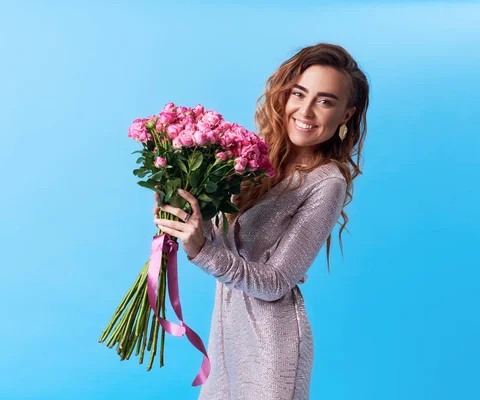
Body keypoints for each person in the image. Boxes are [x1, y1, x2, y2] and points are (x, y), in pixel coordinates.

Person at [153, 43, 370, 400]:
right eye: (299, 94)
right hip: (225, 338)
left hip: (272, 347)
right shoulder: (253, 160)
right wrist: (180, 204)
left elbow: (275, 282)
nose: (306, 110)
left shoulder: (326, 182)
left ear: (346, 115)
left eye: (325, 101)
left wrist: (200, 250)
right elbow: (220, 242)